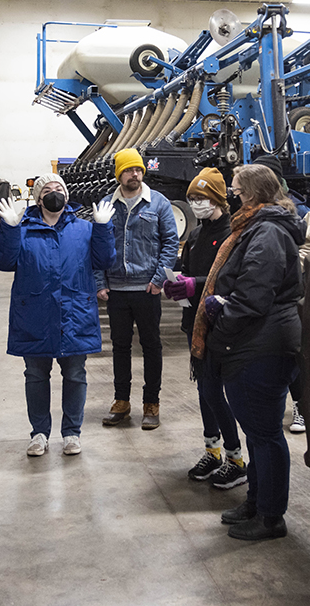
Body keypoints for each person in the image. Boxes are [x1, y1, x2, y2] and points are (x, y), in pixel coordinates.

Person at [195, 163, 304, 541]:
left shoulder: (268, 232)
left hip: (262, 345)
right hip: (257, 341)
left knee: (266, 435)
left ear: (255, 193)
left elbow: (253, 296)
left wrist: (219, 319)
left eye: (237, 191)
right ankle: (256, 502)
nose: (232, 197)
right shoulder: (257, 227)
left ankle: (271, 517)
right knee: (258, 433)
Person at [0, 173, 115, 457]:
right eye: (47, 189)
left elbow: (105, 260)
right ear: (37, 198)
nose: (54, 193)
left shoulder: (84, 229)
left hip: (74, 313)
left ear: (67, 196)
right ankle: (39, 433)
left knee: (75, 374)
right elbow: (3, 262)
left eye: (59, 188)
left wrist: (104, 229)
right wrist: (9, 228)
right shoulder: (22, 229)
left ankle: (71, 433)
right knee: (35, 375)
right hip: (34, 314)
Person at [163, 167, 247, 489]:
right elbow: (187, 269)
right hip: (193, 321)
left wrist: (192, 285)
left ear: (217, 198)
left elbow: (225, 278)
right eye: (192, 199)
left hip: (217, 321)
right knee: (203, 391)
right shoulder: (198, 233)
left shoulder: (230, 233)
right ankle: (212, 451)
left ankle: (236, 458)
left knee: (214, 391)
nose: (196, 204)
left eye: (201, 198)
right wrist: (177, 282)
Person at [96, 148, 179, 430]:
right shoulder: (106, 205)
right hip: (117, 290)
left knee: (151, 346)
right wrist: (100, 282)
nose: (135, 174)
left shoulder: (158, 203)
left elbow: (170, 244)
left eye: (139, 170)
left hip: (147, 289)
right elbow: (96, 245)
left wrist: (159, 280)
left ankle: (151, 403)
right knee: (120, 347)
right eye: (130, 170)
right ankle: (121, 401)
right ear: (119, 173)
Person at [250, 153, 310, 434]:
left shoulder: (300, 212)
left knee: (293, 352)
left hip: (291, 293)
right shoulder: (251, 211)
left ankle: (302, 406)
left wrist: (281, 267)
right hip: (263, 294)